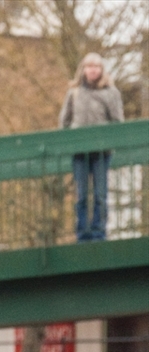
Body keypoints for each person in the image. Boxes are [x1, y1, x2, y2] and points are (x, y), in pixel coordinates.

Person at [59, 52, 124, 242]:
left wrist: (107, 140)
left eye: (96, 66)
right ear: (83, 70)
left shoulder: (110, 93)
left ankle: (99, 231)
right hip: (79, 152)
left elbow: (117, 121)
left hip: (102, 152)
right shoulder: (74, 92)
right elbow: (65, 120)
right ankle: (82, 233)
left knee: (100, 194)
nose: (92, 70)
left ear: (101, 70)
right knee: (81, 194)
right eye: (89, 66)